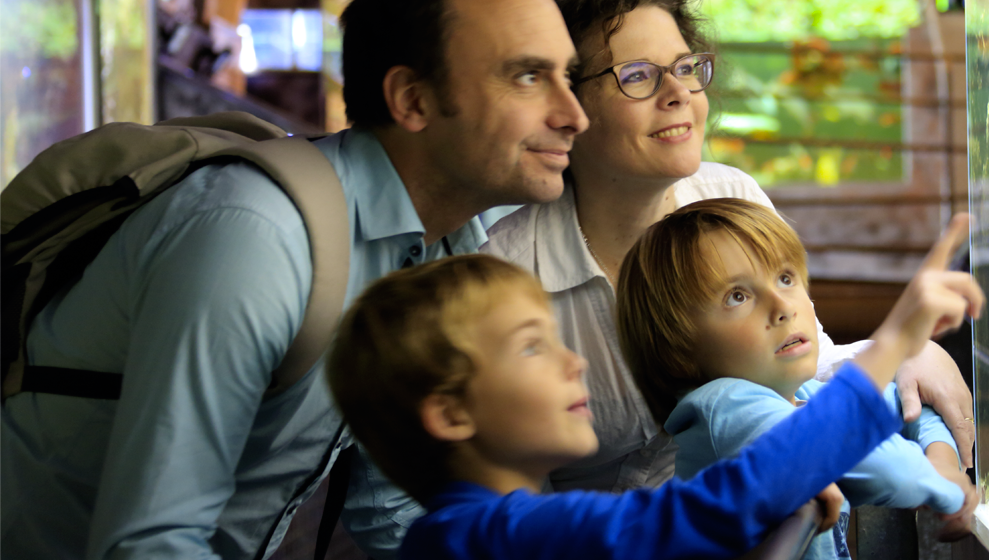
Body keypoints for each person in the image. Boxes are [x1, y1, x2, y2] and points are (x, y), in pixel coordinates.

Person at [0, 0, 588, 558]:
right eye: (527, 77)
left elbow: (387, 510)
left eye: (568, 75)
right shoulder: (255, 237)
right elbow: (150, 543)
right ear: (412, 100)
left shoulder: (431, 247)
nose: (574, 115)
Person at [482, 0, 976, 495]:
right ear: (569, 105)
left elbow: (802, 370)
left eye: (685, 67)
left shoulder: (729, 195)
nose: (677, 92)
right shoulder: (504, 276)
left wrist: (904, 355)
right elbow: (512, 505)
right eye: (636, 75)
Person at [324, 214, 984, 560]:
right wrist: (896, 341)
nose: (575, 362)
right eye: (532, 346)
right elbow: (719, 505)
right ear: (451, 412)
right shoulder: (495, 536)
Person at [614, 199, 977, 558]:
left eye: (785, 278)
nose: (783, 306)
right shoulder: (725, 408)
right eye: (737, 296)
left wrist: (941, 460)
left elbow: (907, 402)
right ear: (679, 349)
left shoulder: (801, 394)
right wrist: (946, 487)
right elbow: (887, 471)